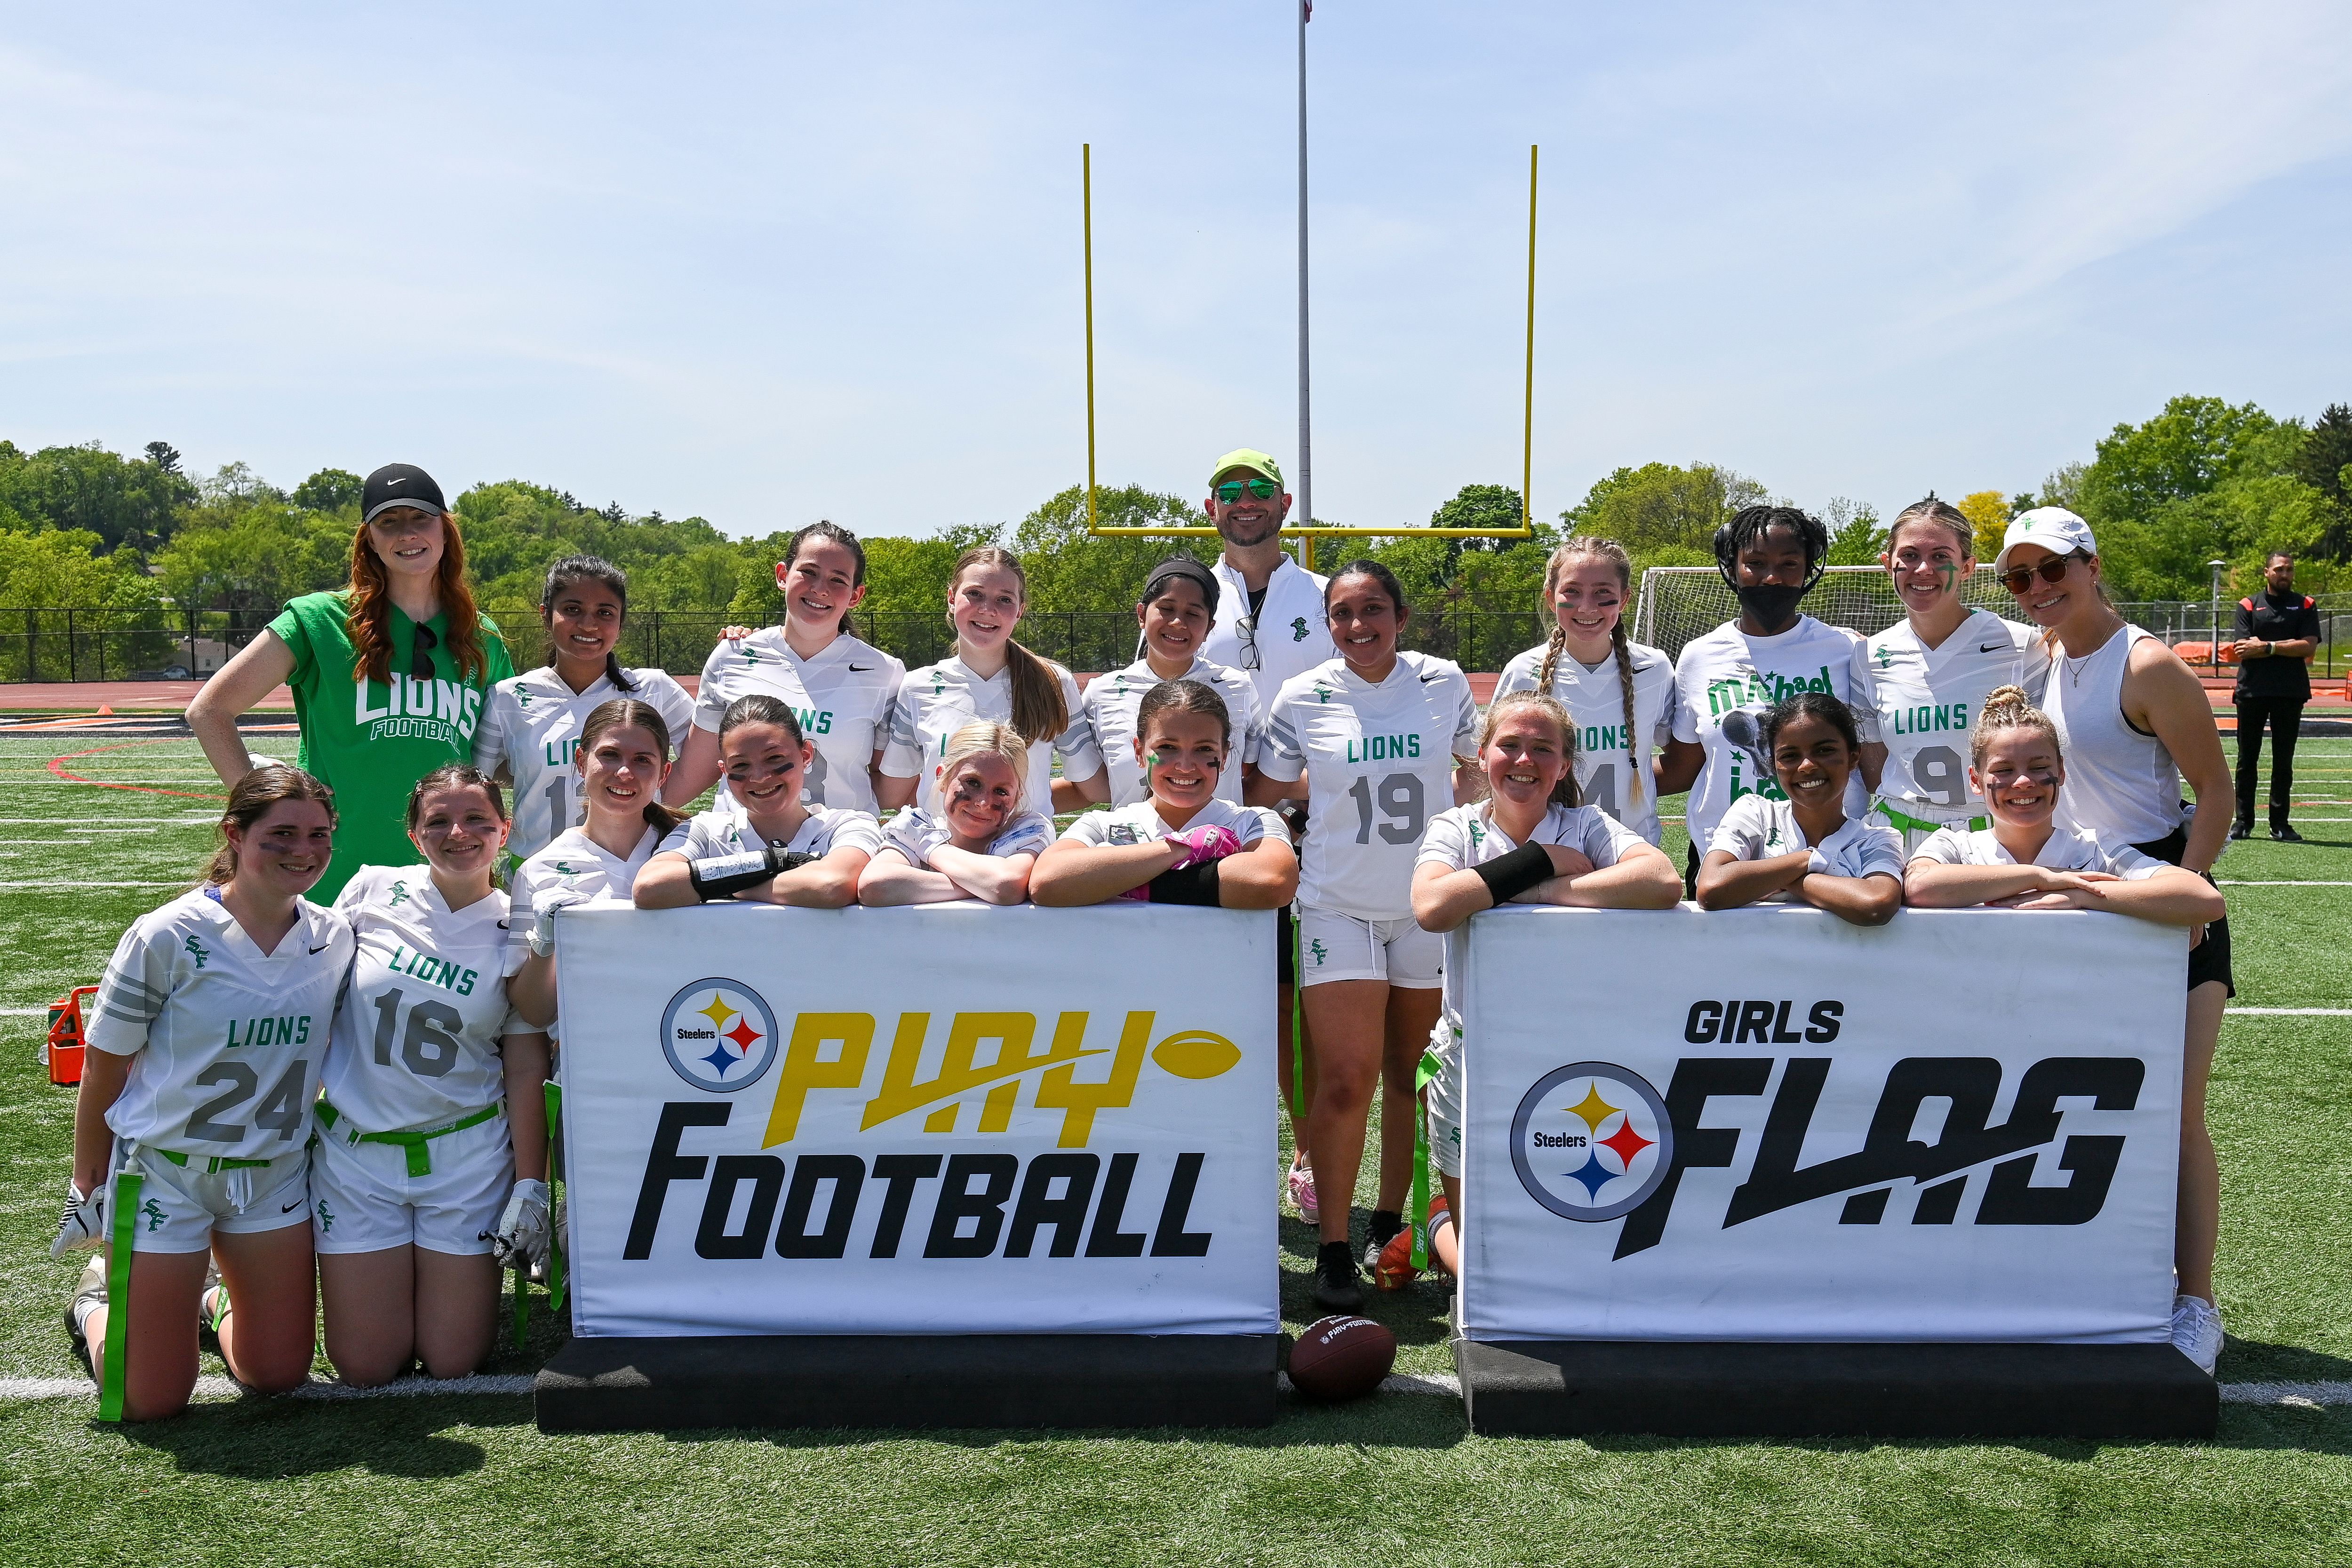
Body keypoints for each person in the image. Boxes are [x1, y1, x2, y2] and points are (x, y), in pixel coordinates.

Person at [1992, 506, 2235, 1373]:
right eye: (2018, 577)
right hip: (2071, 893)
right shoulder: (2042, 656)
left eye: (2051, 569)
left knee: (2176, 1115)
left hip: (2152, 898)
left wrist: (2189, 892)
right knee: (2071, 1103)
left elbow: (2212, 788)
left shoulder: (2145, 661)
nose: (2036, 589)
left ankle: (2195, 1301)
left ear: (2091, 565)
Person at [55, 767, 353, 1421]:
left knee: (277, 1374)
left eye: (317, 835)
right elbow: (103, 1069)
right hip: (167, 1172)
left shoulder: (334, 936)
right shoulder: (168, 933)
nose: (302, 850)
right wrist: (88, 1183)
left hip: (273, 1176)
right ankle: (95, 1304)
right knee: (145, 1399)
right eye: (279, 834)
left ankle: (207, 1297)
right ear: (235, 834)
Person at [1249, 560, 1481, 1308]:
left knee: (1410, 1075)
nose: (1357, 626)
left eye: (1372, 609)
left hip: (1426, 903)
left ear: (1401, 616)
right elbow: (1264, 789)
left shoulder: (1442, 681)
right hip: (1336, 904)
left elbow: (1473, 768)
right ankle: (1335, 1247)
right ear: (1327, 624)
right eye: (1341, 614)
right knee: (1344, 1078)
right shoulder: (1302, 694)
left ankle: (1393, 1221)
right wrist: (1294, 823)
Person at [1408, 692, 1680, 1284]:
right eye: (1509, 745)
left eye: (1542, 749)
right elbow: (1432, 906)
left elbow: (1662, 880)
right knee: (1481, 1257)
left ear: (1563, 767)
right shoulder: (1455, 827)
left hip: (1570, 1056)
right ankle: (1439, 1228)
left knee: (1575, 1214)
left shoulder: (1586, 825)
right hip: (1471, 1052)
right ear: (1482, 756)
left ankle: (1440, 1231)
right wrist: (1541, 861)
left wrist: (1535, 891)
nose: (1523, 759)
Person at [315, 765, 547, 1385]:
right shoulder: (371, 890)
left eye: (476, 819)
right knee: (365, 1364)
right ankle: (218, 1297)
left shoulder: (518, 923)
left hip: (465, 1155)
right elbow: (310, 1000)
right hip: (358, 1154)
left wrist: (531, 1184)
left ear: (505, 829)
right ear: (415, 835)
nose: (458, 833)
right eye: (437, 821)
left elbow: (524, 1063)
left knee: (453, 1361)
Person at [187, 464, 514, 902]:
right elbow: (209, 710)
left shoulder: (482, 637)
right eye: (388, 522)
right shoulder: (319, 621)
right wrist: (265, 813)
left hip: (447, 877)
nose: (407, 533)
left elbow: (504, 759)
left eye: (420, 518)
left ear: (444, 530)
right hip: (333, 875)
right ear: (370, 540)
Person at [1192, 448, 1334, 1226]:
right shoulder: (1185, 595)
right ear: (1210, 506)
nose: (1243, 502)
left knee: (1304, 1003)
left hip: (1320, 826)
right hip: (1217, 828)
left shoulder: (1320, 595)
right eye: (1228, 491)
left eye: (1256, 490)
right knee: (1220, 1002)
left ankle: (1311, 1151)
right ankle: (1214, 1149)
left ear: (1282, 502)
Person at [1660, 505, 1874, 895]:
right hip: (1723, 860)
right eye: (1755, 563)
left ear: (1810, 567)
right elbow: (1684, 765)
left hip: (1833, 856)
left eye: (1788, 563)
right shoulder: (1698, 656)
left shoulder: (1846, 650)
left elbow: (1875, 758)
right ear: (1731, 564)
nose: (1772, 578)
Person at [1903, 685, 2226, 927]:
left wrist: (2080, 895)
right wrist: (2040, 877)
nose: (2023, 782)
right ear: (1975, 779)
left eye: (2039, 766)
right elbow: (1918, 886)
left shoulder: (2094, 849)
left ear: (2060, 770)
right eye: (2003, 770)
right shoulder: (1955, 844)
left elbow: (2203, 899)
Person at [666, 521, 906, 817]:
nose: (820, 589)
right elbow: (693, 773)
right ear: (783, 575)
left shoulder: (886, 673)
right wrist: (614, 822)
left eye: (838, 580)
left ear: (856, 596)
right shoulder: (732, 655)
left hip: (838, 848)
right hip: (740, 849)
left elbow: (891, 787)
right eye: (809, 572)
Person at [1850, 497, 2047, 857]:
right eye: (1908, 556)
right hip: (1896, 836)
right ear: (1887, 564)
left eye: (1941, 556)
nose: (1923, 569)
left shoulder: (2021, 646)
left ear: (1968, 566)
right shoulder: (1867, 656)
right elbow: (1874, 761)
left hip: (1992, 833)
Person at [472, 556, 693, 865]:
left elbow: (715, 753)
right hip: (535, 875)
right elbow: (477, 789)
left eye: (605, 612)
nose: (589, 624)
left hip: (634, 872)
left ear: (621, 621)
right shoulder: (508, 698)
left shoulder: (654, 688)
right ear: (546, 615)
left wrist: (653, 798)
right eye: (572, 610)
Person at [878, 548, 1106, 818]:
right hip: (942, 854)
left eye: (1004, 599)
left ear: (1020, 611)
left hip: (1025, 853)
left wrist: (1026, 806)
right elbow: (893, 793)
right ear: (951, 599)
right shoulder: (917, 686)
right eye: (975, 594)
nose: (987, 610)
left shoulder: (1054, 683)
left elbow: (1092, 789)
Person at [1034, 680, 1299, 909]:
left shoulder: (1253, 822)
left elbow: (1273, 882)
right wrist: (1186, 847)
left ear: (1225, 755)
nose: (1185, 766)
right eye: (1168, 747)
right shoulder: (1103, 825)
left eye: (1205, 749)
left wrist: (1115, 880)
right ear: (1139, 752)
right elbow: (1047, 882)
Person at [506, 699, 681, 1030]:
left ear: (664, 774)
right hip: (591, 1062)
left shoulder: (694, 849)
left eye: (642, 760)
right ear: (581, 761)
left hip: (688, 1046)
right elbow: (533, 1014)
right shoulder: (539, 870)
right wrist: (544, 945)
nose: (625, 772)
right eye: (610, 755)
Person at [1492, 536, 1676, 844]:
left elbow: (1680, 758)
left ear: (1625, 599)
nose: (1587, 606)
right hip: (1545, 852)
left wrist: (1638, 782)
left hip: (1633, 853)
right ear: (1551, 598)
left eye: (1602, 592)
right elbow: (1496, 766)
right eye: (1572, 592)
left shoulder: (1654, 669)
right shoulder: (1523, 671)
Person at [635, 696, 881, 909]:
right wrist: (775, 863)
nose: (761, 777)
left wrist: (724, 886)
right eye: (741, 765)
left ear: (806, 755)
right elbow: (649, 887)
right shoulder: (704, 830)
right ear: (724, 770)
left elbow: (832, 885)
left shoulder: (848, 825)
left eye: (775, 758)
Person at [1694, 692, 1903, 925]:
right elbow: (1712, 888)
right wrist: (1807, 860)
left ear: (1853, 757)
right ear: (1773, 763)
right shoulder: (1755, 814)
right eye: (1790, 756)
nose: (1807, 766)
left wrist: (1774, 879)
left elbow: (1875, 905)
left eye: (1824, 751)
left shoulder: (1877, 839)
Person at [1080, 557, 1262, 808]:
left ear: (1210, 627)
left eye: (1193, 613)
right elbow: (1091, 784)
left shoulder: (1238, 687)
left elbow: (1252, 771)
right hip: (1135, 845)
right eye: (1166, 609)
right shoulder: (1102, 693)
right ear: (1142, 615)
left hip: (1222, 845)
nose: (1178, 622)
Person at [860, 722, 1053, 906]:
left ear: (1017, 797)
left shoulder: (1029, 830)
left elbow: (1006, 885)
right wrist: (982, 886)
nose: (983, 803)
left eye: (1001, 792)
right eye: (972, 782)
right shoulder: (919, 825)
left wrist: (929, 846)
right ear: (942, 777)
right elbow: (874, 887)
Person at [2229, 550, 2321, 841]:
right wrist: (2284, 647)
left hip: (2290, 692)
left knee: (2284, 760)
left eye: (2290, 570)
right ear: (2266, 572)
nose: (2285, 575)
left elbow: (2308, 646)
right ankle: (2243, 821)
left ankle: (2280, 823)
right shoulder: (2248, 604)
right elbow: (2243, 648)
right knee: (2247, 760)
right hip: (2252, 691)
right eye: (2280, 569)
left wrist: (2267, 647)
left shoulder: (2306, 604)